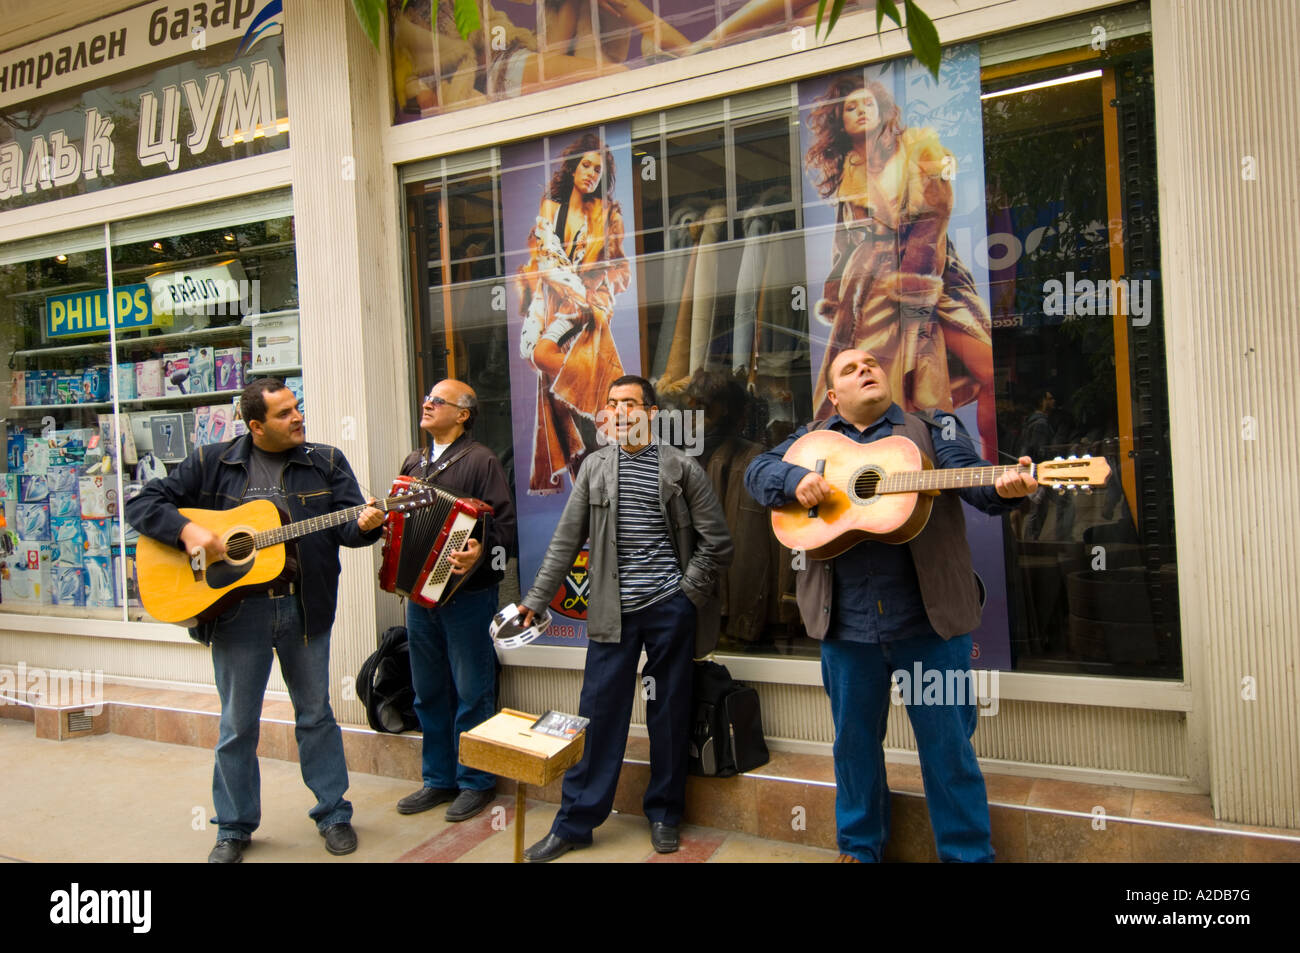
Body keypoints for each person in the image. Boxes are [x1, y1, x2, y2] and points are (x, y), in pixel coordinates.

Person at [744, 349, 1037, 862]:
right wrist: (794, 481)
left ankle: (968, 856)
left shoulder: (934, 428)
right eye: (850, 369)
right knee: (854, 750)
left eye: (872, 365)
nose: (866, 370)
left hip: (930, 624)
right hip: (846, 626)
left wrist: (1007, 487)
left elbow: (973, 480)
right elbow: (758, 471)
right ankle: (859, 851)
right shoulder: (814, 441)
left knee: (949, 750)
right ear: (834, 397)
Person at [125, 378, 385, 863]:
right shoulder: (211, 462)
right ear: (255, 426)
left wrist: (367, 524)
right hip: (237, 612)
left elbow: (349, 527)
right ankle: (234, 827)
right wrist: (189, 531)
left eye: (297, 408)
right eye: (285, 413)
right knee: (237, 724)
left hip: (304, 608)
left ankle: (334, 814)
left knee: (315, 715)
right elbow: (142, 503)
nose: (298, 418)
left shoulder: (325, 462)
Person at [516, 375, 733, 861]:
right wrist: (535, 599)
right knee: (597, 715)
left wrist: (684, 595)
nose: (619, 412)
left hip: (668, 612)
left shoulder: (681, 469)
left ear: (652, 413)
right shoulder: (594, 467)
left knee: (670, 712)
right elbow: (565, 540)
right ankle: (575, 823)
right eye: (612, 404)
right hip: (612, 613)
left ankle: (664, 814)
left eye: (630, 404)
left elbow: (718, 543)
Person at [805, 74, 998, 462]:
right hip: (871, 290)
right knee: (891, 393)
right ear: (839, 121)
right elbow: (845, 243)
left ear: (883, 110)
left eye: (867, 104)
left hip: (932, 276)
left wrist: (916, 289)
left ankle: (991, 466)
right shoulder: (850, 168)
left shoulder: (918, 148)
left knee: (987, 370)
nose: (861, 112)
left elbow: (935, 216)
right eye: (850, 108)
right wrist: (834, 294)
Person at [393, 379, 518, 822]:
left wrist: (482, 547)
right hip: (420, 596)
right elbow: (404, 522)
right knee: (428, 691)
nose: (426, 404)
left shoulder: (481, 460)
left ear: (463, 414)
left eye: (437, 401)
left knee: (471, 690)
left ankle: (476, 781)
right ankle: (438, 779)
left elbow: (505, 527)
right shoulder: (414, 461)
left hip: (468, 595)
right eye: (426, 397)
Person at [517, 132, 631, 494]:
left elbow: (620, 268)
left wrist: (597, 294)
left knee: (565, 389)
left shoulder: (608, 212)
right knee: (561, 409)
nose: (591, 174)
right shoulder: (551, 207)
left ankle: (612, 427)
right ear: (572, 166)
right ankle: (594, 490)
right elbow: (540, 261)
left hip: (589, 312)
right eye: (586, 165)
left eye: (598, 169)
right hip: (555, 307)